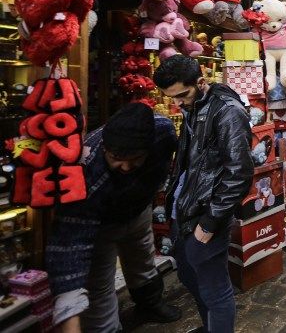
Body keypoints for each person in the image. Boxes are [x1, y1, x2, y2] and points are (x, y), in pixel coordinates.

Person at [46, 103, 181, 332]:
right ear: (105, 148)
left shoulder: (164, 132)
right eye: (117, 157)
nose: (126, 167)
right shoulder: (85, 173)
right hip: (101, 226)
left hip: (138, 211)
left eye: (135, 158)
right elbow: (70, 247)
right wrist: (69, 316)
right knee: (98, 285)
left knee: (143, 260)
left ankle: (150, 304)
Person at [153, 55, 254, 333]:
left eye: (181, 95)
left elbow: (240, 173)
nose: (177, 103)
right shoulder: (193, 105)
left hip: (205, 215)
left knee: (215, 289)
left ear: (201, 82)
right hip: (185, 209)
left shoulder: (227, 111)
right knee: (190, 277)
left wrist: (210, 223)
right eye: (170, 97)